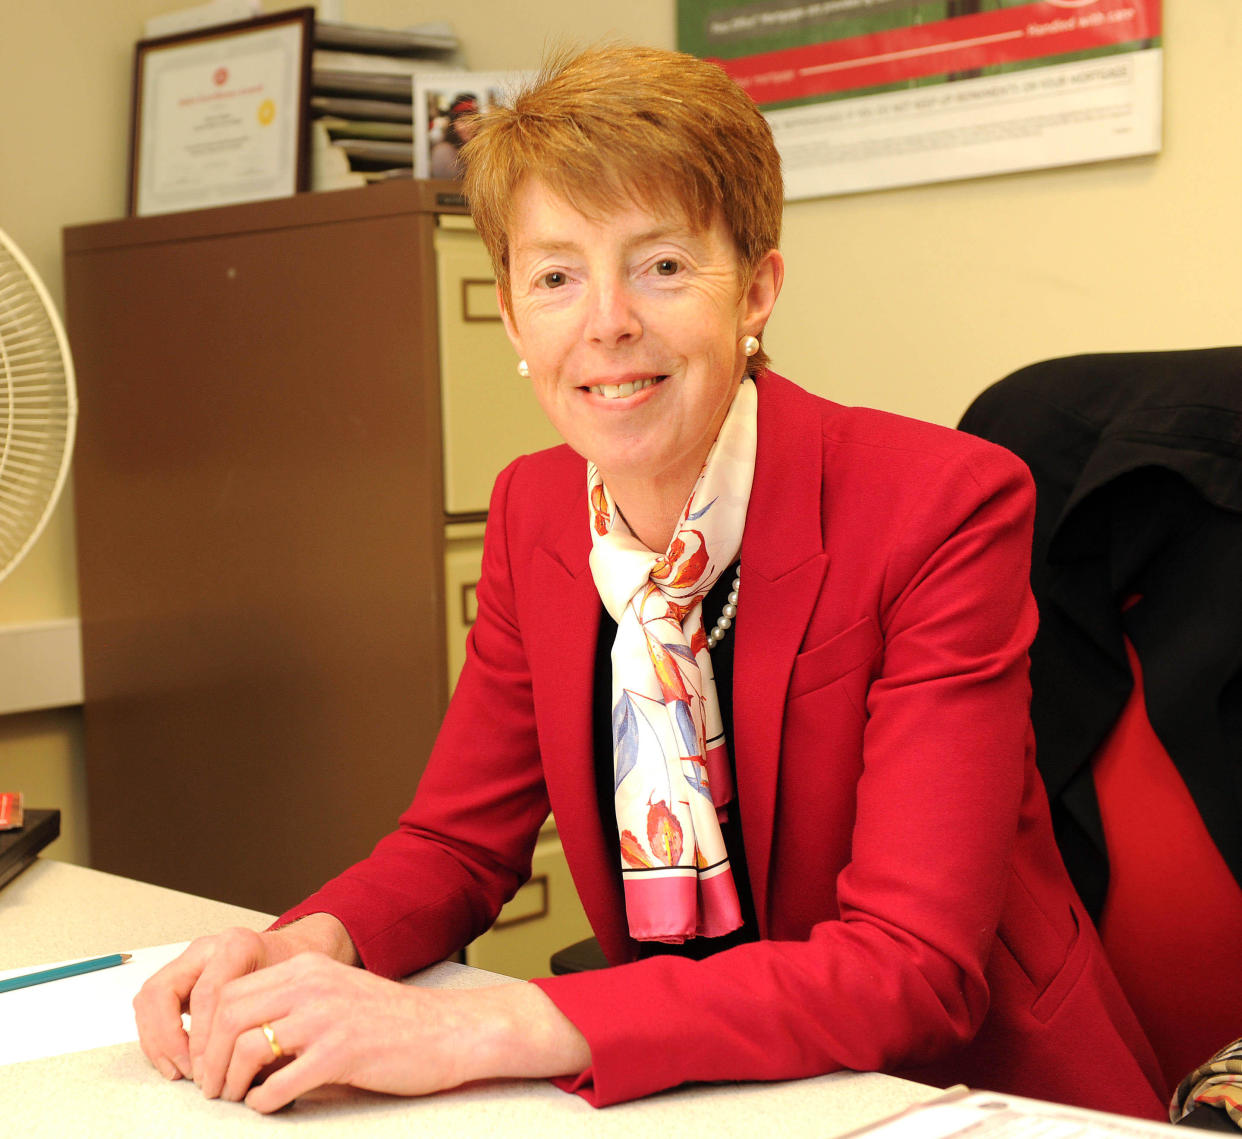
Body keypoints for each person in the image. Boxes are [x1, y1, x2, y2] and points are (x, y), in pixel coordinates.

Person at [133, 46, 1167, 1118]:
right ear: (513, 320)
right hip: (688, 1091)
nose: (607, 321)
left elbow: (910, 966)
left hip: (966, 1094)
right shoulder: (536, 513)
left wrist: (483, 1023)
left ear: (757, 288)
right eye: (555, 276)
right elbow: (454, 844)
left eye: (662, 265)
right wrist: (291, 945)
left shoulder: (939, 505)